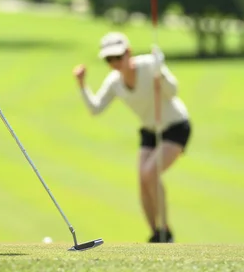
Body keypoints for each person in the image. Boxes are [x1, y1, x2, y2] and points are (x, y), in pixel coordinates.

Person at [72, 32, 191, 243]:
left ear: (129, 52)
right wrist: (82, 85)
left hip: (175, 126)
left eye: (118, 57)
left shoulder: (149, 65)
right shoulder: (114, 82)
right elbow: (95, 108)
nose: (115, 63)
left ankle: (166, 232)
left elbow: (172, 92)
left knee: (150, 172)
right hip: (149, 130)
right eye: (109, 59)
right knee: (142, 180)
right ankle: (156, 234)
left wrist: (160, 72)